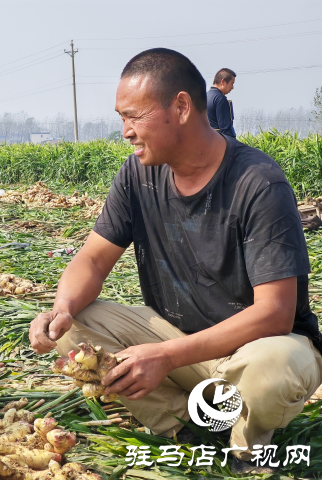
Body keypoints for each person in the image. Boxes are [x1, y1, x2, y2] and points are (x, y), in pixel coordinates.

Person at [29, 48, 322, 474]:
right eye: (121, 118)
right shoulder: (137, 176)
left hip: (254, 352)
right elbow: (92, 259)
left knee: (273, 368)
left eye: (134, 116)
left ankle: (246, 450)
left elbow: (275, 314)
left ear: (181, 107)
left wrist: (166, 356)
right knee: (74, 329)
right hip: (180, 345)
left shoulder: (257, 183)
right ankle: (185, 425)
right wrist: (62, 309)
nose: (125, 131)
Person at [207, 68, 236, 137]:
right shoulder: (220, 99)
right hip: (218, 142)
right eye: (231, 83)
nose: (232, 87)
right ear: (222, 82)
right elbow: (225, 128)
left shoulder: (205, 96)